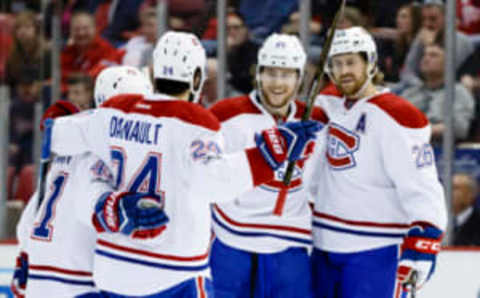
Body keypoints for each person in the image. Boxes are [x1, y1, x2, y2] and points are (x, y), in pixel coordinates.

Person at [48, 31, 321, 297]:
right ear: (197, 77)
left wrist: (108, 205)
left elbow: (57, 136)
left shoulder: (114, 111)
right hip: (174, 271)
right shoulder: (195, 121)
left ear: (153, 73)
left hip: (114, 268)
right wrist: (268, 156)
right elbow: (215, 182)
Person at [311, 27, 447, 298]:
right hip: (324, 246)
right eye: (337, 64)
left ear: (370, 62)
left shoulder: (396, 116)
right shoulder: (329, 104)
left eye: (351, 62)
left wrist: (425, 237)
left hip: (376, 249)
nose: (344, 70)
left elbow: (421, 184)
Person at [10, 66, 154, 298]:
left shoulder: (69, 138)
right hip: (78, 280)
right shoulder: (110, 151)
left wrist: (25, 253)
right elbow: (91, 204)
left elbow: (34, 211)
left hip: (42, 273)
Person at [208, 33, 327, 298]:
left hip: (290, 243)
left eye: (286, 74)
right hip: (233, 239)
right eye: (271, 73)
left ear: (299, 79)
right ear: (258, 74)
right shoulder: (224, 114)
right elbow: (205, 173)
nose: (277, 83)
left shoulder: (317, 122)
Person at [398, 41, 475, 142]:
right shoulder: (409, 94)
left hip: (444, 152)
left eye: (433, 55)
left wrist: (425, 131)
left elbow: (459, 128)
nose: (426, 59)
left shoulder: (459, 93)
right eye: (424, 55)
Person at [452, 173, 480, 246]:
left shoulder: (477, 222)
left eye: (455, 188)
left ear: (471, 194)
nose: (450, 193)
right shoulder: (441, 221)